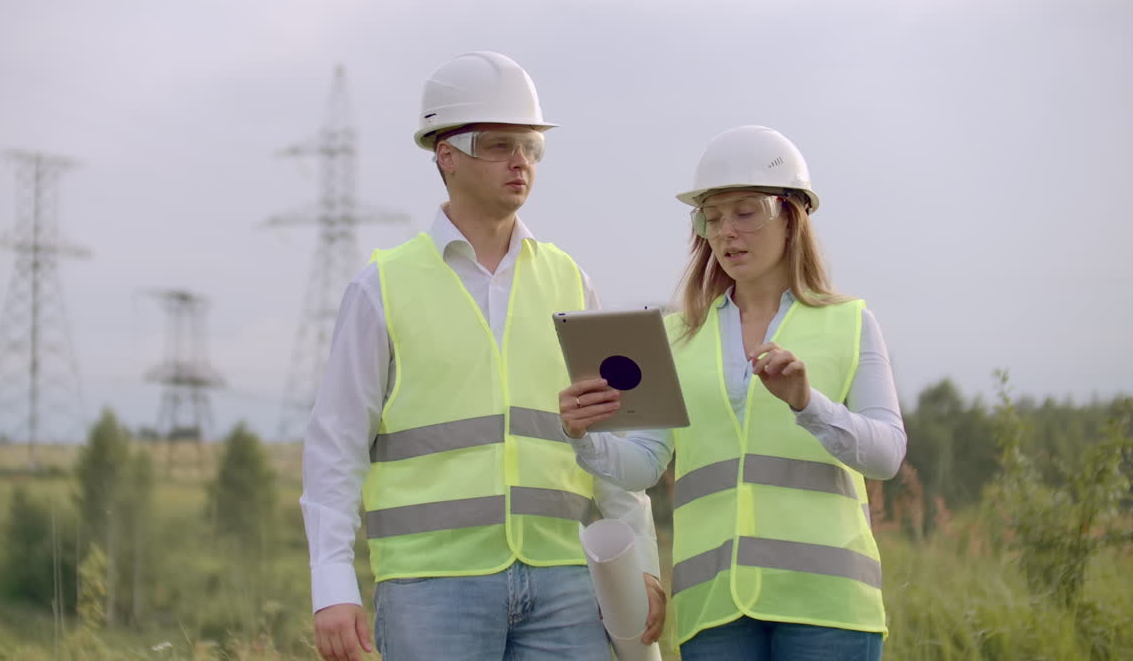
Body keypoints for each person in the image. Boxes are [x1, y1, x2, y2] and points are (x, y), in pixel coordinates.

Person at [301, 51, 665, 661]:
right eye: (498, 146)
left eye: (530, 146)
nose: (521, 161)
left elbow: (616, 436)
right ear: (446, 153)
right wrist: (331, 586)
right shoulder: (381, 287)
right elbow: (334, 447)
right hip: (431, 587)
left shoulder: (571, 281)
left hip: (567, 581)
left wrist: (641, 561)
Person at [560, 125, 906, 660]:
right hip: (714, 610)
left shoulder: (851, 323)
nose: (725, 233)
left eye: (745, 212)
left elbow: (885, 455)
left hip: (828, 607)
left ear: (792, 215)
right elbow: (647, 464)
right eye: (712, 218)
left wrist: (806, 404)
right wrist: (586, 437)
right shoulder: (678, 336)